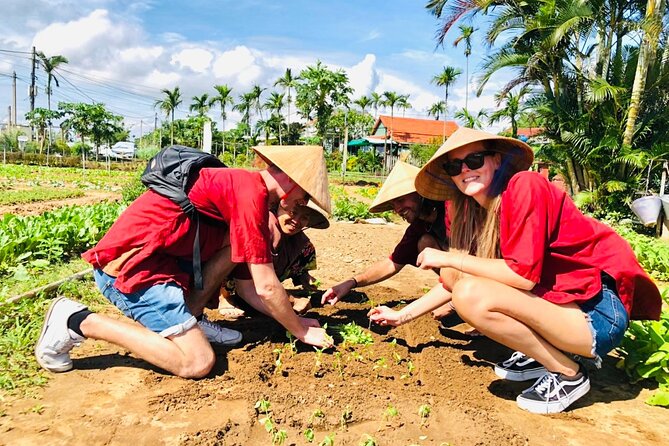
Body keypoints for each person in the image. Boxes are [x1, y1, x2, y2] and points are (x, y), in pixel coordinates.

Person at [368, 127, 661, 414]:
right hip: (563, 306)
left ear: (496, 159)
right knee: (463, 285)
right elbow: (452, 284)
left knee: (469, 292)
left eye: (474, 160)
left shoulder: (524, 186)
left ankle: (568, 374)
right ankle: (544, 354)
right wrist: (401, 315)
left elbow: (521, 275)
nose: (464, 170)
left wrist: (450, 259)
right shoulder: (470, 214)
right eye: (454, 165)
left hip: (596, 314)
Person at [35, 145, 334, 379]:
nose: (302, 204)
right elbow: (267, 287)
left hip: (161, 269)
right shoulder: (249, 191)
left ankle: (192, 318)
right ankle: (76, 320)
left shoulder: (247, 192)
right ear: (292, 182)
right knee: (198, 361)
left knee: (233, 245)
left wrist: (291, 320)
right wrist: (301, 331)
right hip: (131, 268)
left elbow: (248, 290)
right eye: (305, 195)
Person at [322, 161, 447, 306]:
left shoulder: (450, 209)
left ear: (420, 192)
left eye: (401, 200)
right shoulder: (419, 227)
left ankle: (455, 296)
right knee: (425, 242)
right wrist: (351, 282)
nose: (398, 210)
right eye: (394, 205)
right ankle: (453, 291)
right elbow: (391, 263)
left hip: (475, 270)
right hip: (461, 276)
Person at [218, 200, 329, 318]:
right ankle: (223, 297)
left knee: (307, 249)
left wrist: (304, 277)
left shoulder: (299, 241)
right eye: (293, 212)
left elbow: (299, 260)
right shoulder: (263, 228)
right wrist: (292, 300)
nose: (296, 221)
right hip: (242, 276)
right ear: (279, 209)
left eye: (304, 218)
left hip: (258, 282)